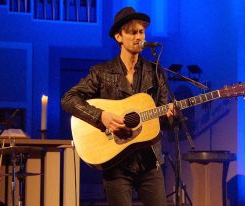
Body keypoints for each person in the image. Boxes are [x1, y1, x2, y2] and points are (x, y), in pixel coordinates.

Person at [61, 7, 175, 206]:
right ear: (118, 36)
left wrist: (169, 116)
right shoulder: (101, 73)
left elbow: (161, 120)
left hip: (149, 160)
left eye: (141, 32)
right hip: (116, 163)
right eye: (132, 32)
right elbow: (69, 99)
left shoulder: (155, 72)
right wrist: (101, 116)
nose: (138, 36)